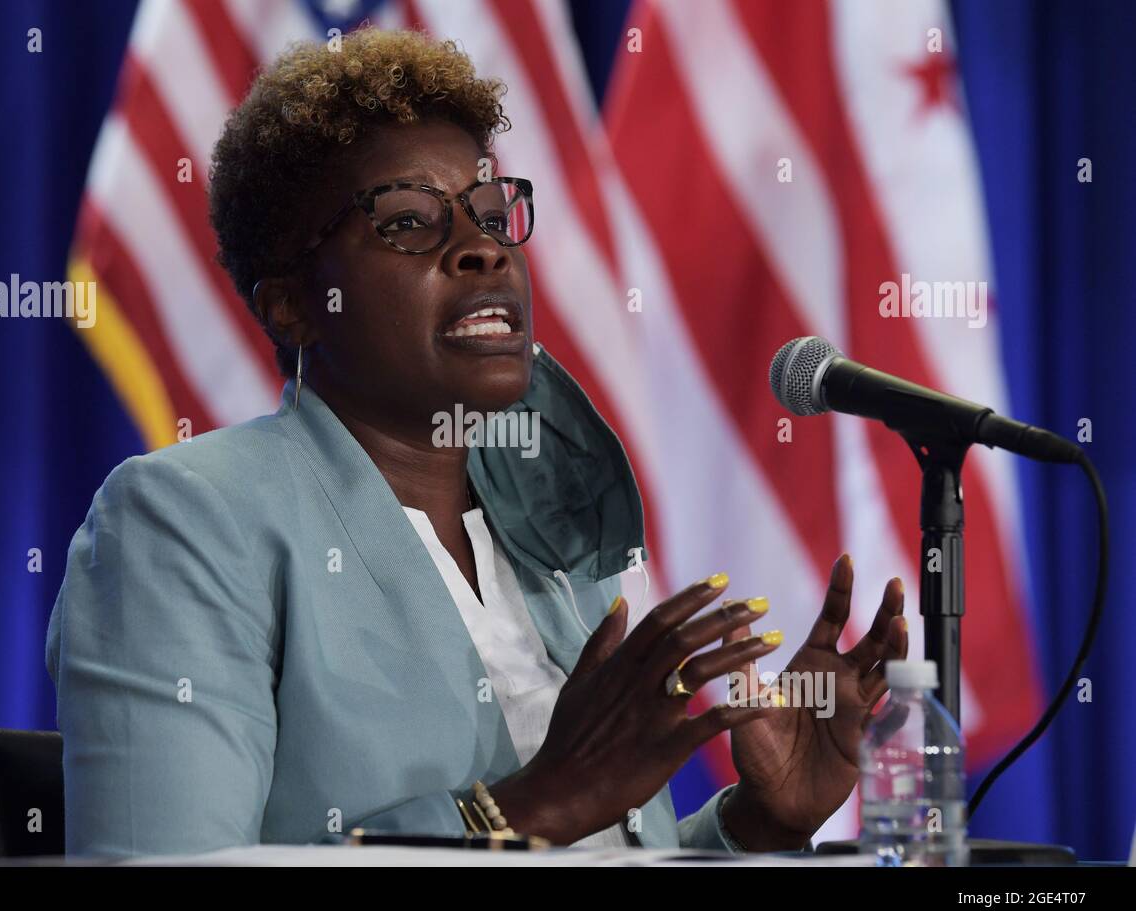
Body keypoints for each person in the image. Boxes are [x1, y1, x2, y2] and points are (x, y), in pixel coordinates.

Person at [45, 26, 908, 857]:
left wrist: (761, 822)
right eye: (410, 222)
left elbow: (601, 849)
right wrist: (534, 804)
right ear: (292, 306)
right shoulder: (183, 523)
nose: (481, 252)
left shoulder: (557, 545)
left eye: (491, 215)